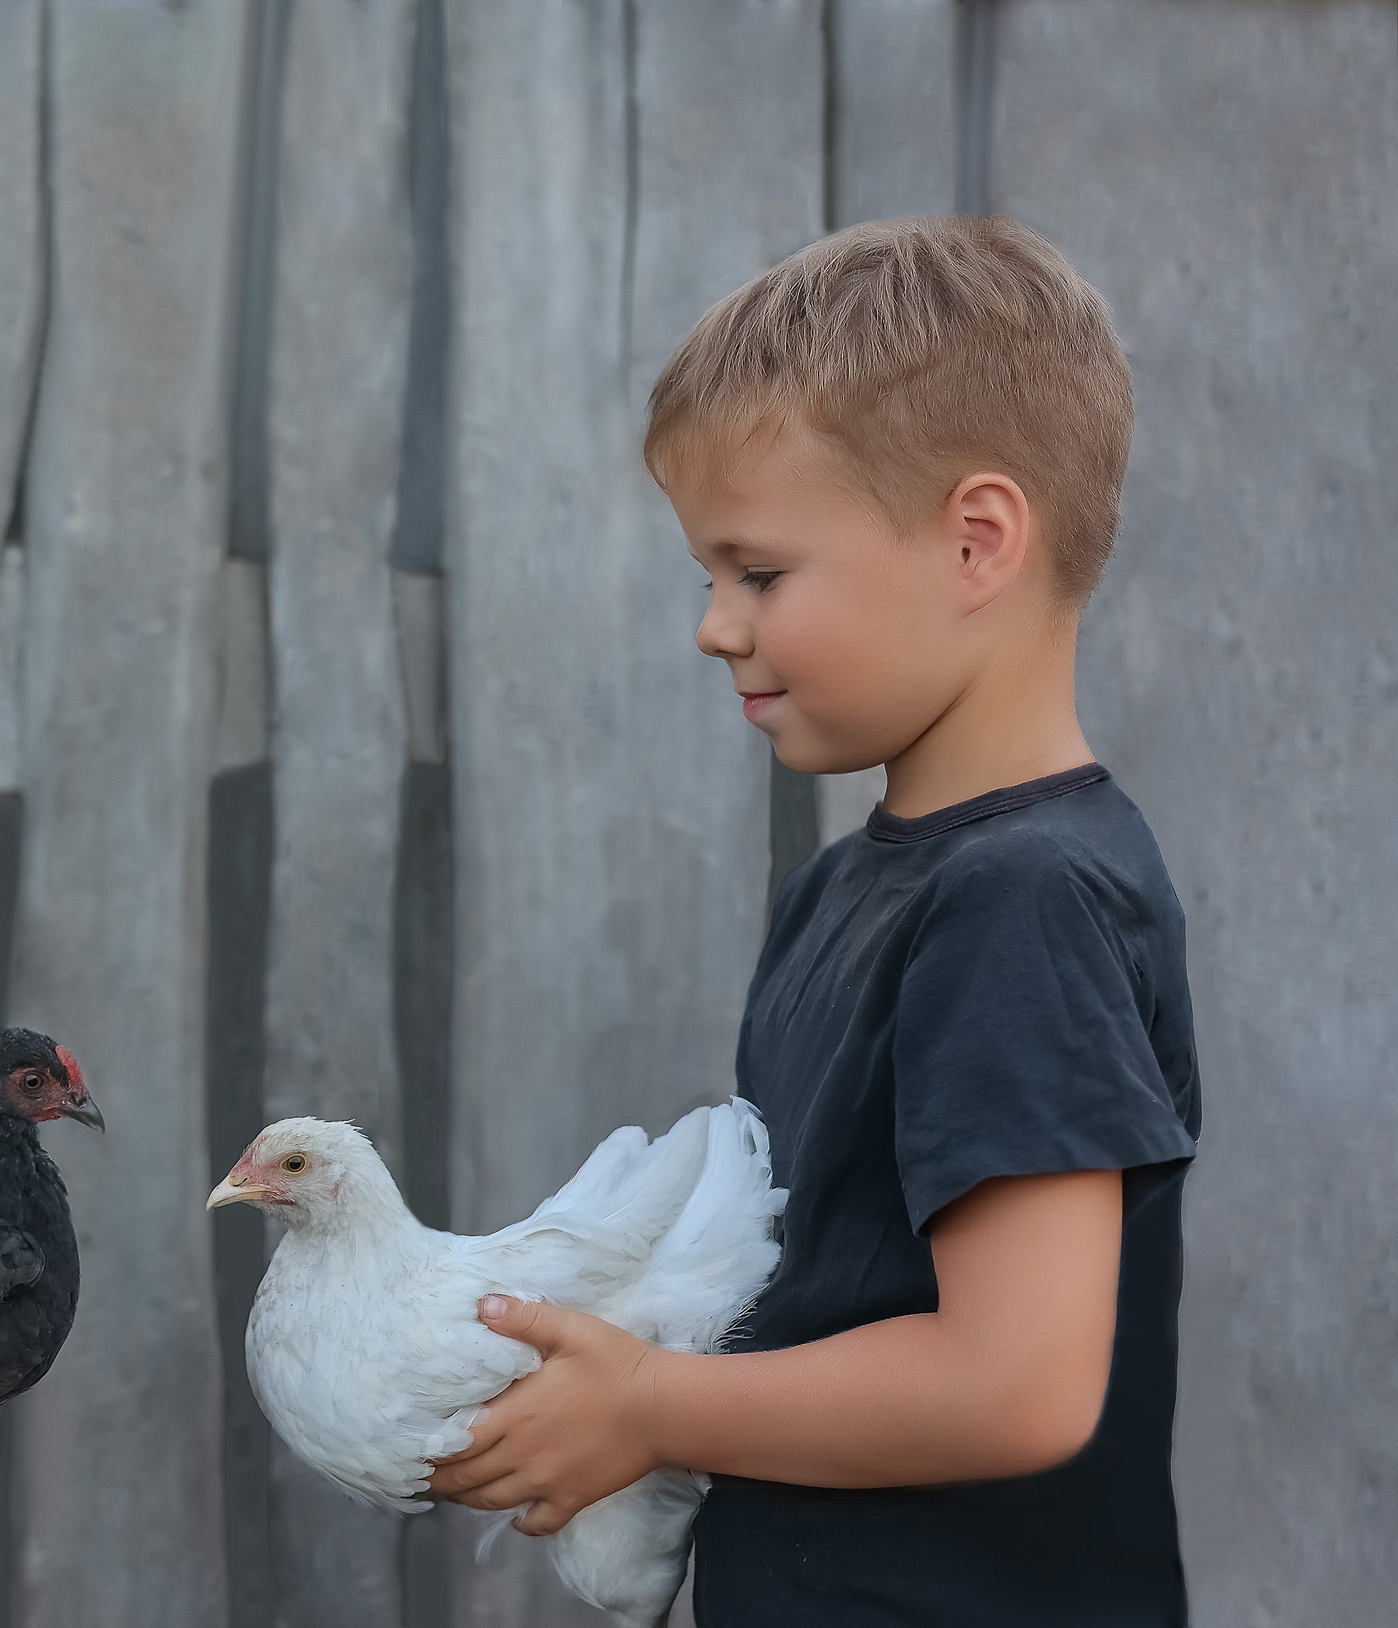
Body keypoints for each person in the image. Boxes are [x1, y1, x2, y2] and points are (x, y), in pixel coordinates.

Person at [427, 217, 1199, 1625]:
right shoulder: (847, 894)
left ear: (978, 541)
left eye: (761, 574)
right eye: (708, 578)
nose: (715, 627)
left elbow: (1015, 1386)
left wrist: (657, 1404)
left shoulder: (1021, 903)